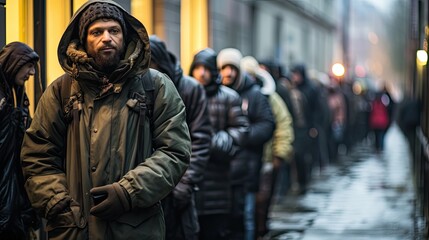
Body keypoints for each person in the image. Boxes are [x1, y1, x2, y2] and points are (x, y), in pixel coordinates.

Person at [20, 1, 191, 239]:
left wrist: (128, 192)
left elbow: (174, 151)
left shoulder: (155, 86)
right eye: (96, 32)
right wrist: (57, 201)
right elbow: (38, 154)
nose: (107, 38)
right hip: (75, 228)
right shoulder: (61, 90)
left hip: (135, 227)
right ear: (83, 40)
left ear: (124, 35)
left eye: (114, 30)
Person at [149, 35, 212, 240]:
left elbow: (201, 140)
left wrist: (185, 183)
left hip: (178, 187)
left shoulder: (190, 88)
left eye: (151, 63)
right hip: (147, 188)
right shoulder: (138, 85)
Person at [189, 48, 249, 240]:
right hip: (190, 177)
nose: (201, 73)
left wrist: (213, 141)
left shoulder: (229, 97)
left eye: (206, 68)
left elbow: (240, 130)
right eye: (197, 68)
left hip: (218, 176)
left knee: (216, 230)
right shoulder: (184, 93)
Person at [217, 48, 275, 240]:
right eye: (224, 68)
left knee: (245, 216)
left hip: (247, 169)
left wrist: (243, 136)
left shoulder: (254, 94)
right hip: (221, 170)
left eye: (232, 67)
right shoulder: (214, 92)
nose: (228, 73)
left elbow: (267, 124)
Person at [241, 56, 294, 239]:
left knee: (262, 203)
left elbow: (284, 124)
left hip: (266, 159)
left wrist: (279, 154)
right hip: (242, 160)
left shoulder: (271, 98)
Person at [0, 41, 40, 240]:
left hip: (16, 187)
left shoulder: (19, 97)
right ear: (15, 63)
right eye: (29, 66)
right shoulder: (6, 99)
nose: (32, 73)